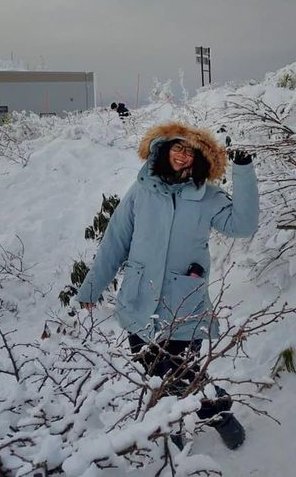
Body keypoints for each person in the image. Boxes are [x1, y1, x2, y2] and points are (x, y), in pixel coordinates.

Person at [77, 121, 259, 450]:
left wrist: (244, 171)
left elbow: (243, 226)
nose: (182, 155)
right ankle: (171, 430)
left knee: (185, 375)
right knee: (156, 377)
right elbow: (115, 242)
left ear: (200, 159)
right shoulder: (142, 191)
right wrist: (92, 288)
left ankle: (220, 418)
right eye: (177, 147)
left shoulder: (209, 197)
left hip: (183, 304)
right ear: (163, 149)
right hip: (138, 301)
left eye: (190, 152)